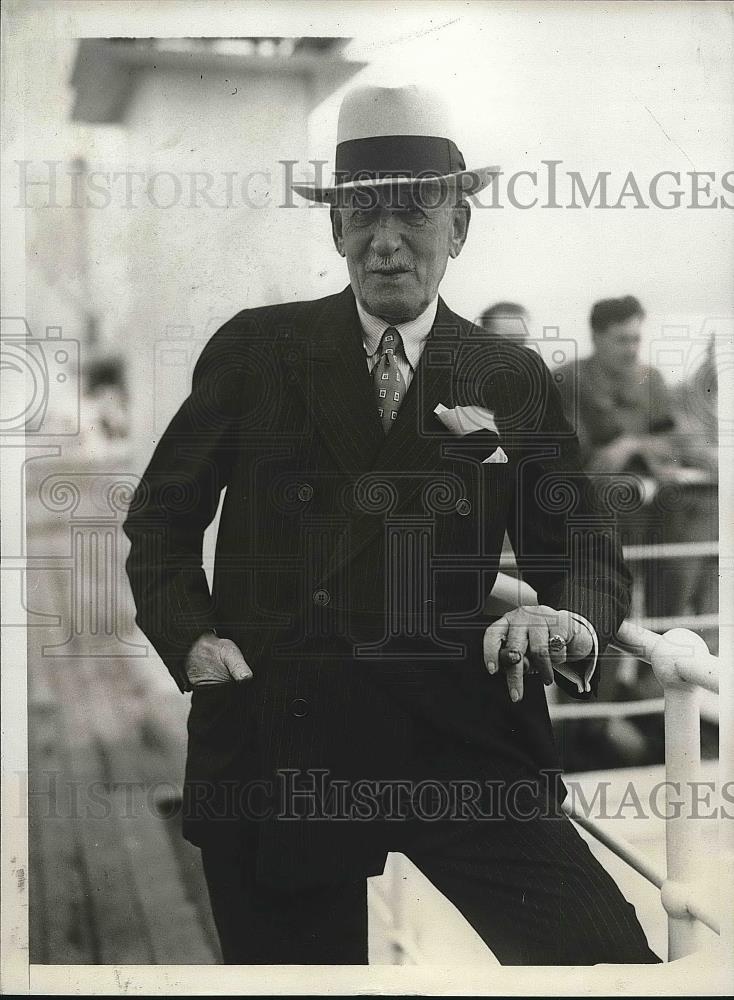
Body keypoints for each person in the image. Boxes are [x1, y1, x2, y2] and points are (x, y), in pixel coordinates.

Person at [124, 85, 658, 966]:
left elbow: (584, 545)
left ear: (460, 224)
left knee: (604, 964)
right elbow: (163, 515)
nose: (385, 241)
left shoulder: (508, 372)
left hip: (460, 735)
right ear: (334, 229)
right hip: (281, 728)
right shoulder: (259, 349)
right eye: (362, 214)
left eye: (413, 211)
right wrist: (192, 642)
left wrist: (563, 616)